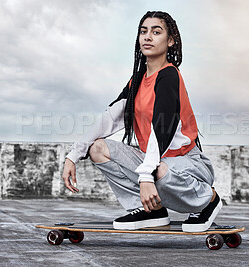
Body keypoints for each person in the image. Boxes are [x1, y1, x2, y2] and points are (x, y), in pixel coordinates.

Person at [62, 11, 221, 232]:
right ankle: (151, 209)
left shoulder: (169, 76)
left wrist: (146, 175)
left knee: (158, 172)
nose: (148, 37)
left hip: (188, 163)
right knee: (97, 148)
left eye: (156, 32)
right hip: (155, 159)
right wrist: (73, 155)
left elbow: (162, 128)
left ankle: (208, 200)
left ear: (170, 41)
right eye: (143, 31)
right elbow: (109, 119)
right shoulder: (136, 81)